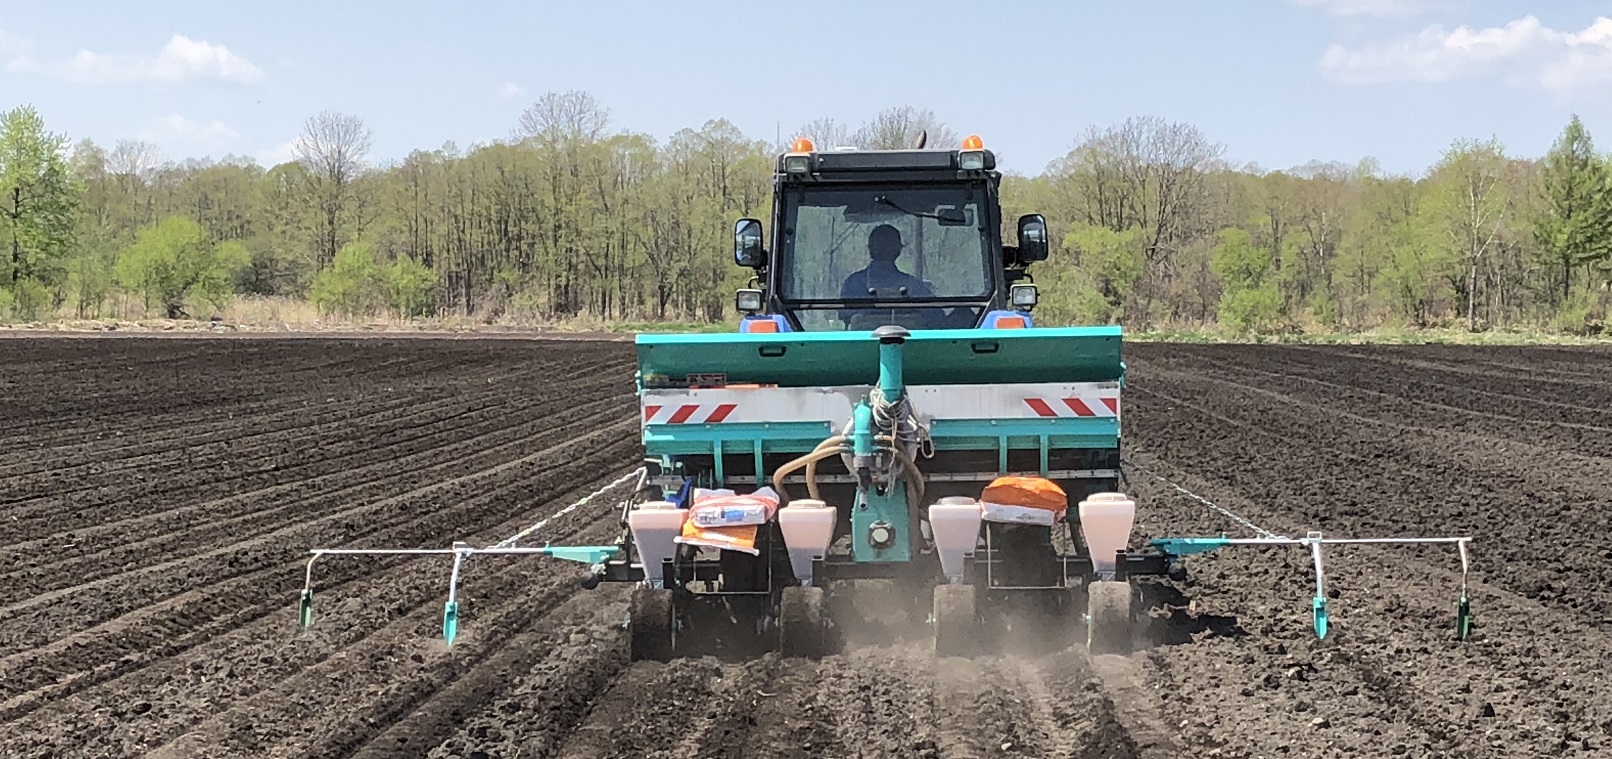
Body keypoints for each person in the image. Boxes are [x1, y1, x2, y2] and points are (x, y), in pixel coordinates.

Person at [840, 224, 932, 300]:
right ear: (899, 250)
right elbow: (936, 314)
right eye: (881, 244)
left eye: (887, 244)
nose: (884, 248)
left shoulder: (853, 283)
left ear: (870, 249)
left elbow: (844, 313)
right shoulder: (914, 286)